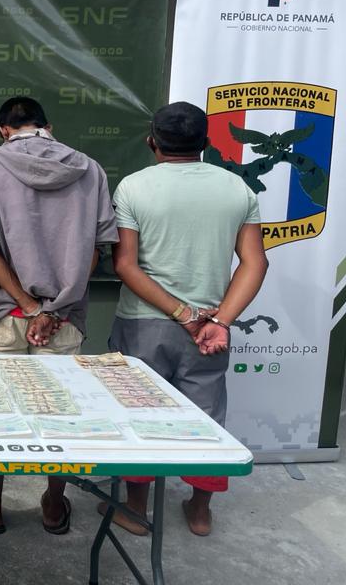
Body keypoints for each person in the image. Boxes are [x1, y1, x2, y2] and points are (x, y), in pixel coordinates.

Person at [0, 96, 118, 535]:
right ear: (48, 126)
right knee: (61, 413)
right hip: (64, 319)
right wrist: (54, 309)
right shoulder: (90, 169)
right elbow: (96, 250)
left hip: (2, 312)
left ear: (4, 130)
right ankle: (53, 503)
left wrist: (28, 306)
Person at [107, 101, 268, 536]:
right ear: (207, 143)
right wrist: (220, 321)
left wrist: (182, 314)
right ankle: (199, 512)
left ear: (151, 141)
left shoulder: (133, 188)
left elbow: (125, 265)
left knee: (138, 413)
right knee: (207, 419)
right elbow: (254, 264)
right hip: (210, 330)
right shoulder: (238, 189)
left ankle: (137, 510)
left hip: (144, 321)